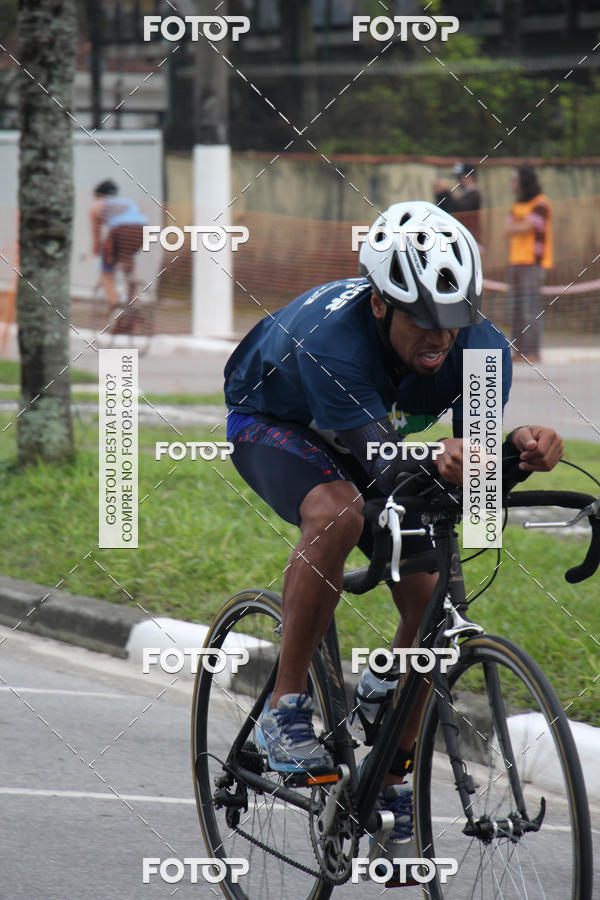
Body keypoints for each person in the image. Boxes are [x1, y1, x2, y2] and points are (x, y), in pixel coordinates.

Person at [223, 201, 563, 883]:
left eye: (453, 319)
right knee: (339, 512)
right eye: (423, 320)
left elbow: (474, 489)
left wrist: (516, 453)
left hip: (370, 435)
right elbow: (379, 467)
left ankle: (388, 778)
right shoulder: (334, 341)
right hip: (276, 422)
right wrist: (437, 459)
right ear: (380, 304)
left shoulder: (483, 349)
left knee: (435, 599)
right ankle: (284, 708)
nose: (440, 337)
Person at [505, 165, 553, 363]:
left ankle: (533, 351)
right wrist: (518, 227)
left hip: (533, 262)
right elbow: (509, 229)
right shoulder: (518, 205)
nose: (511, 184)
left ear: (524, 181)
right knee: (515, 309)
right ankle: (519, 351)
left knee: (530, 309)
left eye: (514, 180)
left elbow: (527, 226)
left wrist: (517, 227)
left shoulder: (541, 203)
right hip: (515, 261)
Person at [90, 180, 148, 310]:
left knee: (106, 272)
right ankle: (134, 300)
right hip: (143, 231)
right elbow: (140, 218)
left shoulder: (97, 206)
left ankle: (115, 306)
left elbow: (96, 235)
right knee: (127, 261)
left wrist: (97, 253)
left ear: (99, 195)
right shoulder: (129, 202)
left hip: (120, 231)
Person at [434, 161, 482, 244]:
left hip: (471, 240)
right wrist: (440, 194)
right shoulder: (465, 195)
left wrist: (445, 192)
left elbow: (459, 209)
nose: (458, 180)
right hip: (462, 239)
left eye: (460, 177)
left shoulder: (474, 195)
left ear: (470, 177)